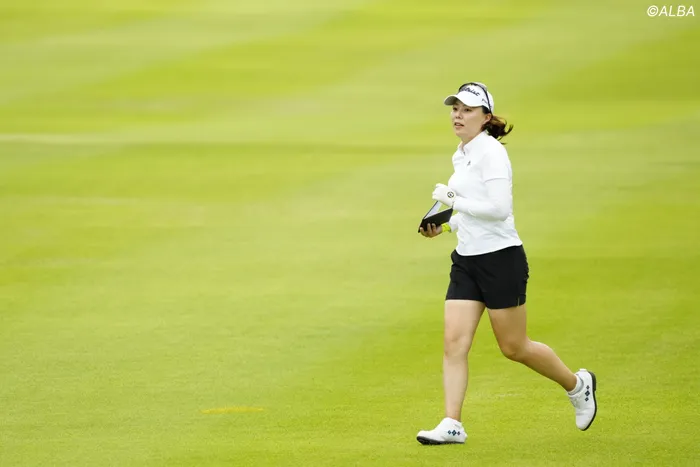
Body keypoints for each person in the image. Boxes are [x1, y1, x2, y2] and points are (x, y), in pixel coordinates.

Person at [415, 82, 597, 445]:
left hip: (501, 259)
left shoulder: (492, 153)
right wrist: (445, 225)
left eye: (467, 110)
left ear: (485, 117)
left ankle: (578, 386)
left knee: (514, 347)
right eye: (455, 109)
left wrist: (453, 199)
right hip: (466, 260)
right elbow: (474, 210)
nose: (458, 116)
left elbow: (499, 210)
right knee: (454, 344)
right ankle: (452, 423)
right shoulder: (462, 153)